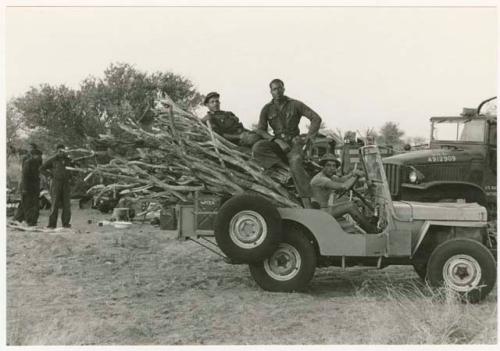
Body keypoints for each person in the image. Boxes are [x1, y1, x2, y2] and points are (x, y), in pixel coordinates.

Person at [253, 79, 322, 207]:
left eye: (280, 88)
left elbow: (316, 118)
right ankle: (287, 170)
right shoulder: (267, 109)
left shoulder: (295, 104)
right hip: (278, 143)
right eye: (274, 89)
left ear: (284, 89)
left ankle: (308, 202)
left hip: (294, 143)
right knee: (258, 147)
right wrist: (276, 140)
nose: (277, 91)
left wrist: (308, 138)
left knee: (295, 161)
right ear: (270, 92)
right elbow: (260, 130)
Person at [310, 154, 376, 233]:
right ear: (323, 167)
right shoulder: (320, 179)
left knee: (356, 201)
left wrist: (352, 174)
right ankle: (372, 231)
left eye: (334, 166)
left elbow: (341, 179)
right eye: (328, 165)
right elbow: (344, 186)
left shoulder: (328, 176)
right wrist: (356, 176)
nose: (332, 168)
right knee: (350, 206)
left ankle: (367, 224)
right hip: (321, 213)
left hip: (325, 209)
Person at [40, 144, 74, 228]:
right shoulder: (53, 159)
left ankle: (66, 223)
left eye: (63, 151)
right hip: (56, 183)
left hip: (66, 184)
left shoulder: (68, 160)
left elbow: (75, 168)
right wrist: (50, 175)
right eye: (60, 151)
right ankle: (52, 224)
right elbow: (42, 168)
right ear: (57, 151)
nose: (62, 153)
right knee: (54, 204)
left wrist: (72, 177)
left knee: (67, 204)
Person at [14, 143, 43, 226]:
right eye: (38, 155)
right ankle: (30, 221)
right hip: (27, 186)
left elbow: (37, 175)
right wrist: (24, 188)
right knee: (27, 204)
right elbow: (24, 176)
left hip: (34, 187)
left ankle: (19, 219)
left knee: (27, 203)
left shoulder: (37, 162)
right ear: (34, 155)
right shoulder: (28, 162)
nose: (40, 157)